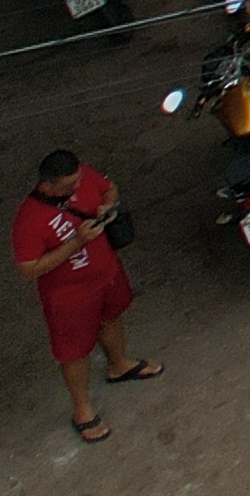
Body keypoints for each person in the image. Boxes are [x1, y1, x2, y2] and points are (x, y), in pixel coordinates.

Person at [16, 148, 153, 437]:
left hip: (106, 274)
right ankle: (83, 411)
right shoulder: (29, 220)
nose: (77, 188)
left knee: (112, 318)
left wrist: (108, 205)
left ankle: (119, 365)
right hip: (69, 297)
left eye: (78, 180)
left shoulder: (83, 175)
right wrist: (77, 242)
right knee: (74, 353)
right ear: (47, 185)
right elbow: (29, 269)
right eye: (69, 186)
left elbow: (110, 189)